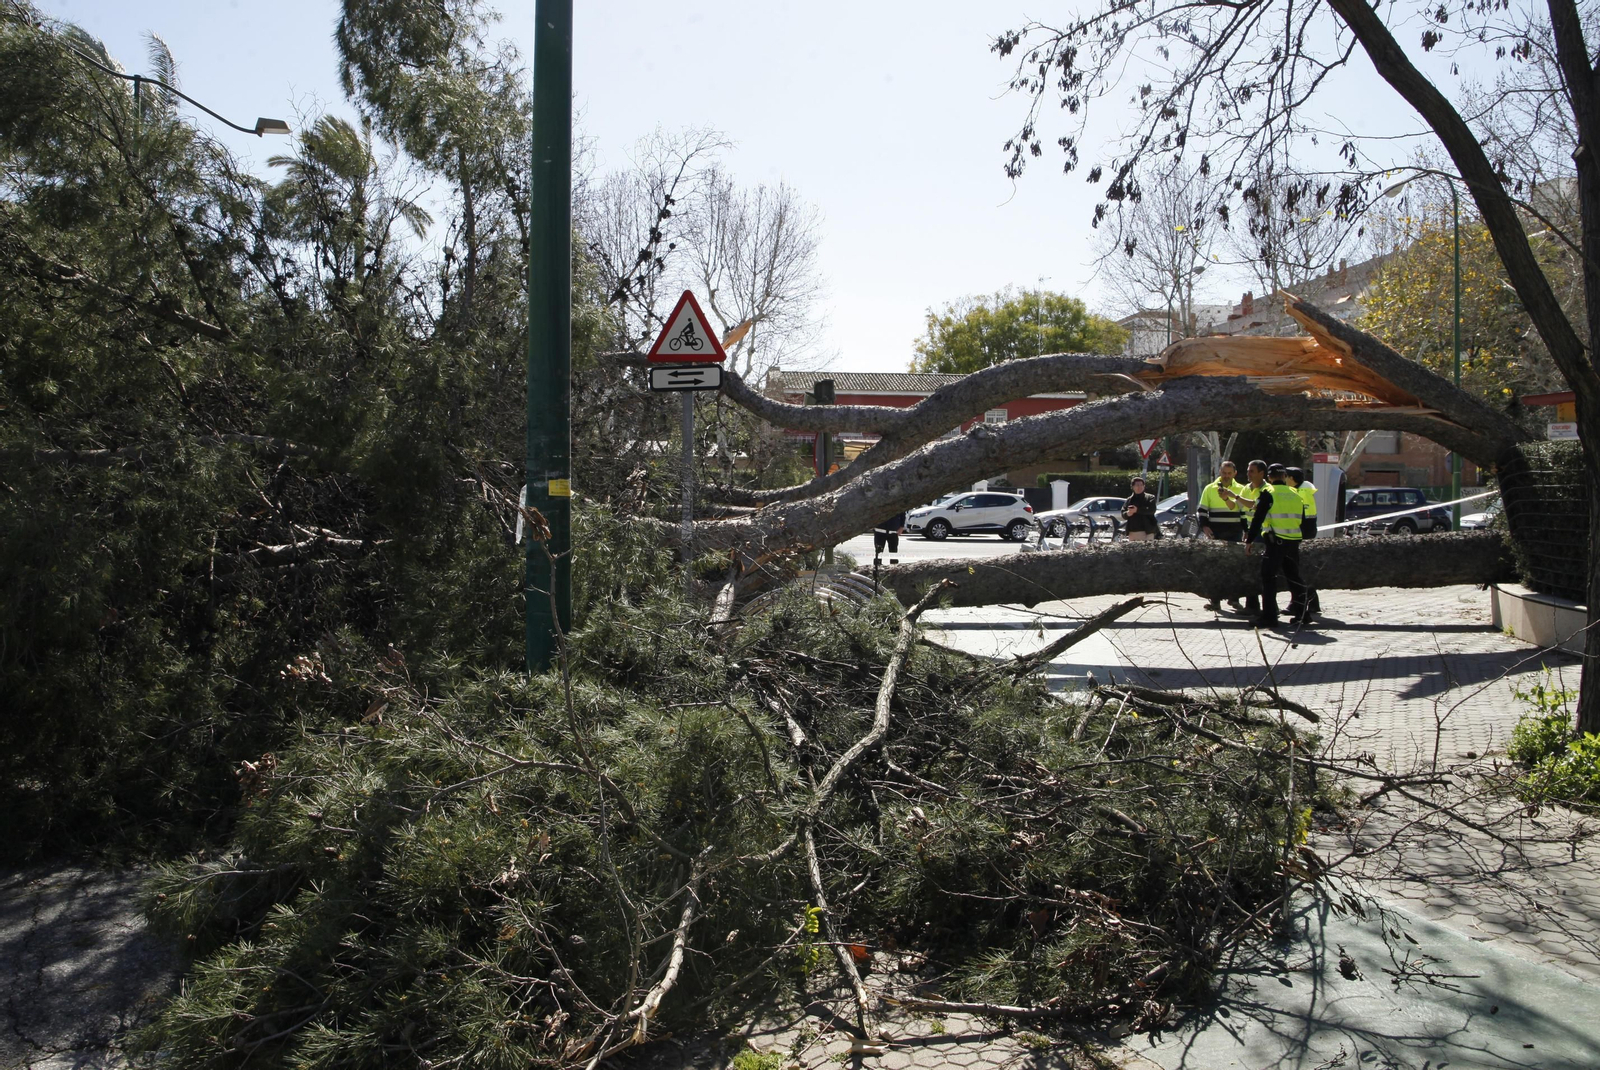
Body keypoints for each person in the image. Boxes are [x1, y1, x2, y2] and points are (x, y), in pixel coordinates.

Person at [1245, 462, 1310, 626]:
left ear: (1269, 477)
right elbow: (1302, 519)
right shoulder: (1296, 494)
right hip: (1293, 542)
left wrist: (1249, 540)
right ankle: (1303, 615)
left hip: (1276, 543)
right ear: (1284, 477)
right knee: (1294, 578)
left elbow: (1258, 518)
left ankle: (1269, 616)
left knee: (1268, 577)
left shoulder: (1268, 493)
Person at [1198, 460, 1251, 612]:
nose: (1226, 476)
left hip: (1235, 532)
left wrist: (1246, 530)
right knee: (1216, 566)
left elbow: (1243, 513)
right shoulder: (1209, 489)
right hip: (1216, 532)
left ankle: (1234, 598)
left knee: (1235, 566)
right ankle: (1215, 600)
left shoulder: (1241, 489)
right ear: (1219, 472)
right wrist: (1205, 526)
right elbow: (1202, 510)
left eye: (1229, 473)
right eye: (1224, 473)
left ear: (1235, 473)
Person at [1285, 467, 1321, 617]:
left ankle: (1300, 604)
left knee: (1298, 571)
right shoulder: (1305, 489)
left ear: (1292, 479)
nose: (1284, 479)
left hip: (1300, 537)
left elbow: (1301, 519)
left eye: (1286, 476)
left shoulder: (1300, 493)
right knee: (1300, 571)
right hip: (1305, 535)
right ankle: (1310, 603)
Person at [1122, 476, 1160, 542]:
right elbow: (1123, 513)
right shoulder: (1129, 500)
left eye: (1141, 485)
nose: (1139, 487)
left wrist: (1137, 510)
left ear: (1144, 486)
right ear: (1133, 487)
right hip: (1132, 531)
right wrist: (1128, 513)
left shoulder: (1150, 498)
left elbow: (1151, 510)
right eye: (1137, 485)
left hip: (1147, 531)